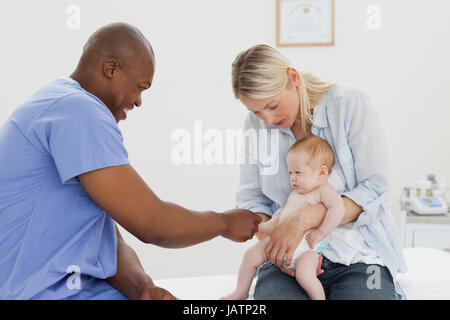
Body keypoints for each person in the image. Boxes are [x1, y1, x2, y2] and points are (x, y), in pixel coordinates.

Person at [0, 23, 261, 300]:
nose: (138, 102)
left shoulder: (59, 102)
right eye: (140, 87)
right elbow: (153, 224)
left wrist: (143, 288)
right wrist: (224, 223)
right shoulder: (78, 110)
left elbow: (105, 241)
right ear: (111, 69)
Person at [232, 44, 407, 300]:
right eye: (256, 111)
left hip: (358, 256)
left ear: (293, 78)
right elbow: (253, 202)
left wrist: (304, 220)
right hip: (290, 257)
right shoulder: (255, 127)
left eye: (272, 105)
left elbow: (375, 189)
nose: (267, 120)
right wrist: (277, 248)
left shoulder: (349, 104)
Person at [223, 136, 345, 300]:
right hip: (280, 243)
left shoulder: (323, 191)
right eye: (290, 173)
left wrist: (321, 232)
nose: (292, 178)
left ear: (321, 172)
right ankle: (241, 291)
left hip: (306, 249)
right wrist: (264, 227)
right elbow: (281, 216)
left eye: (298, 172)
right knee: (251, 255)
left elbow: (338, 209)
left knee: (306, 276)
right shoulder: (296, 193)